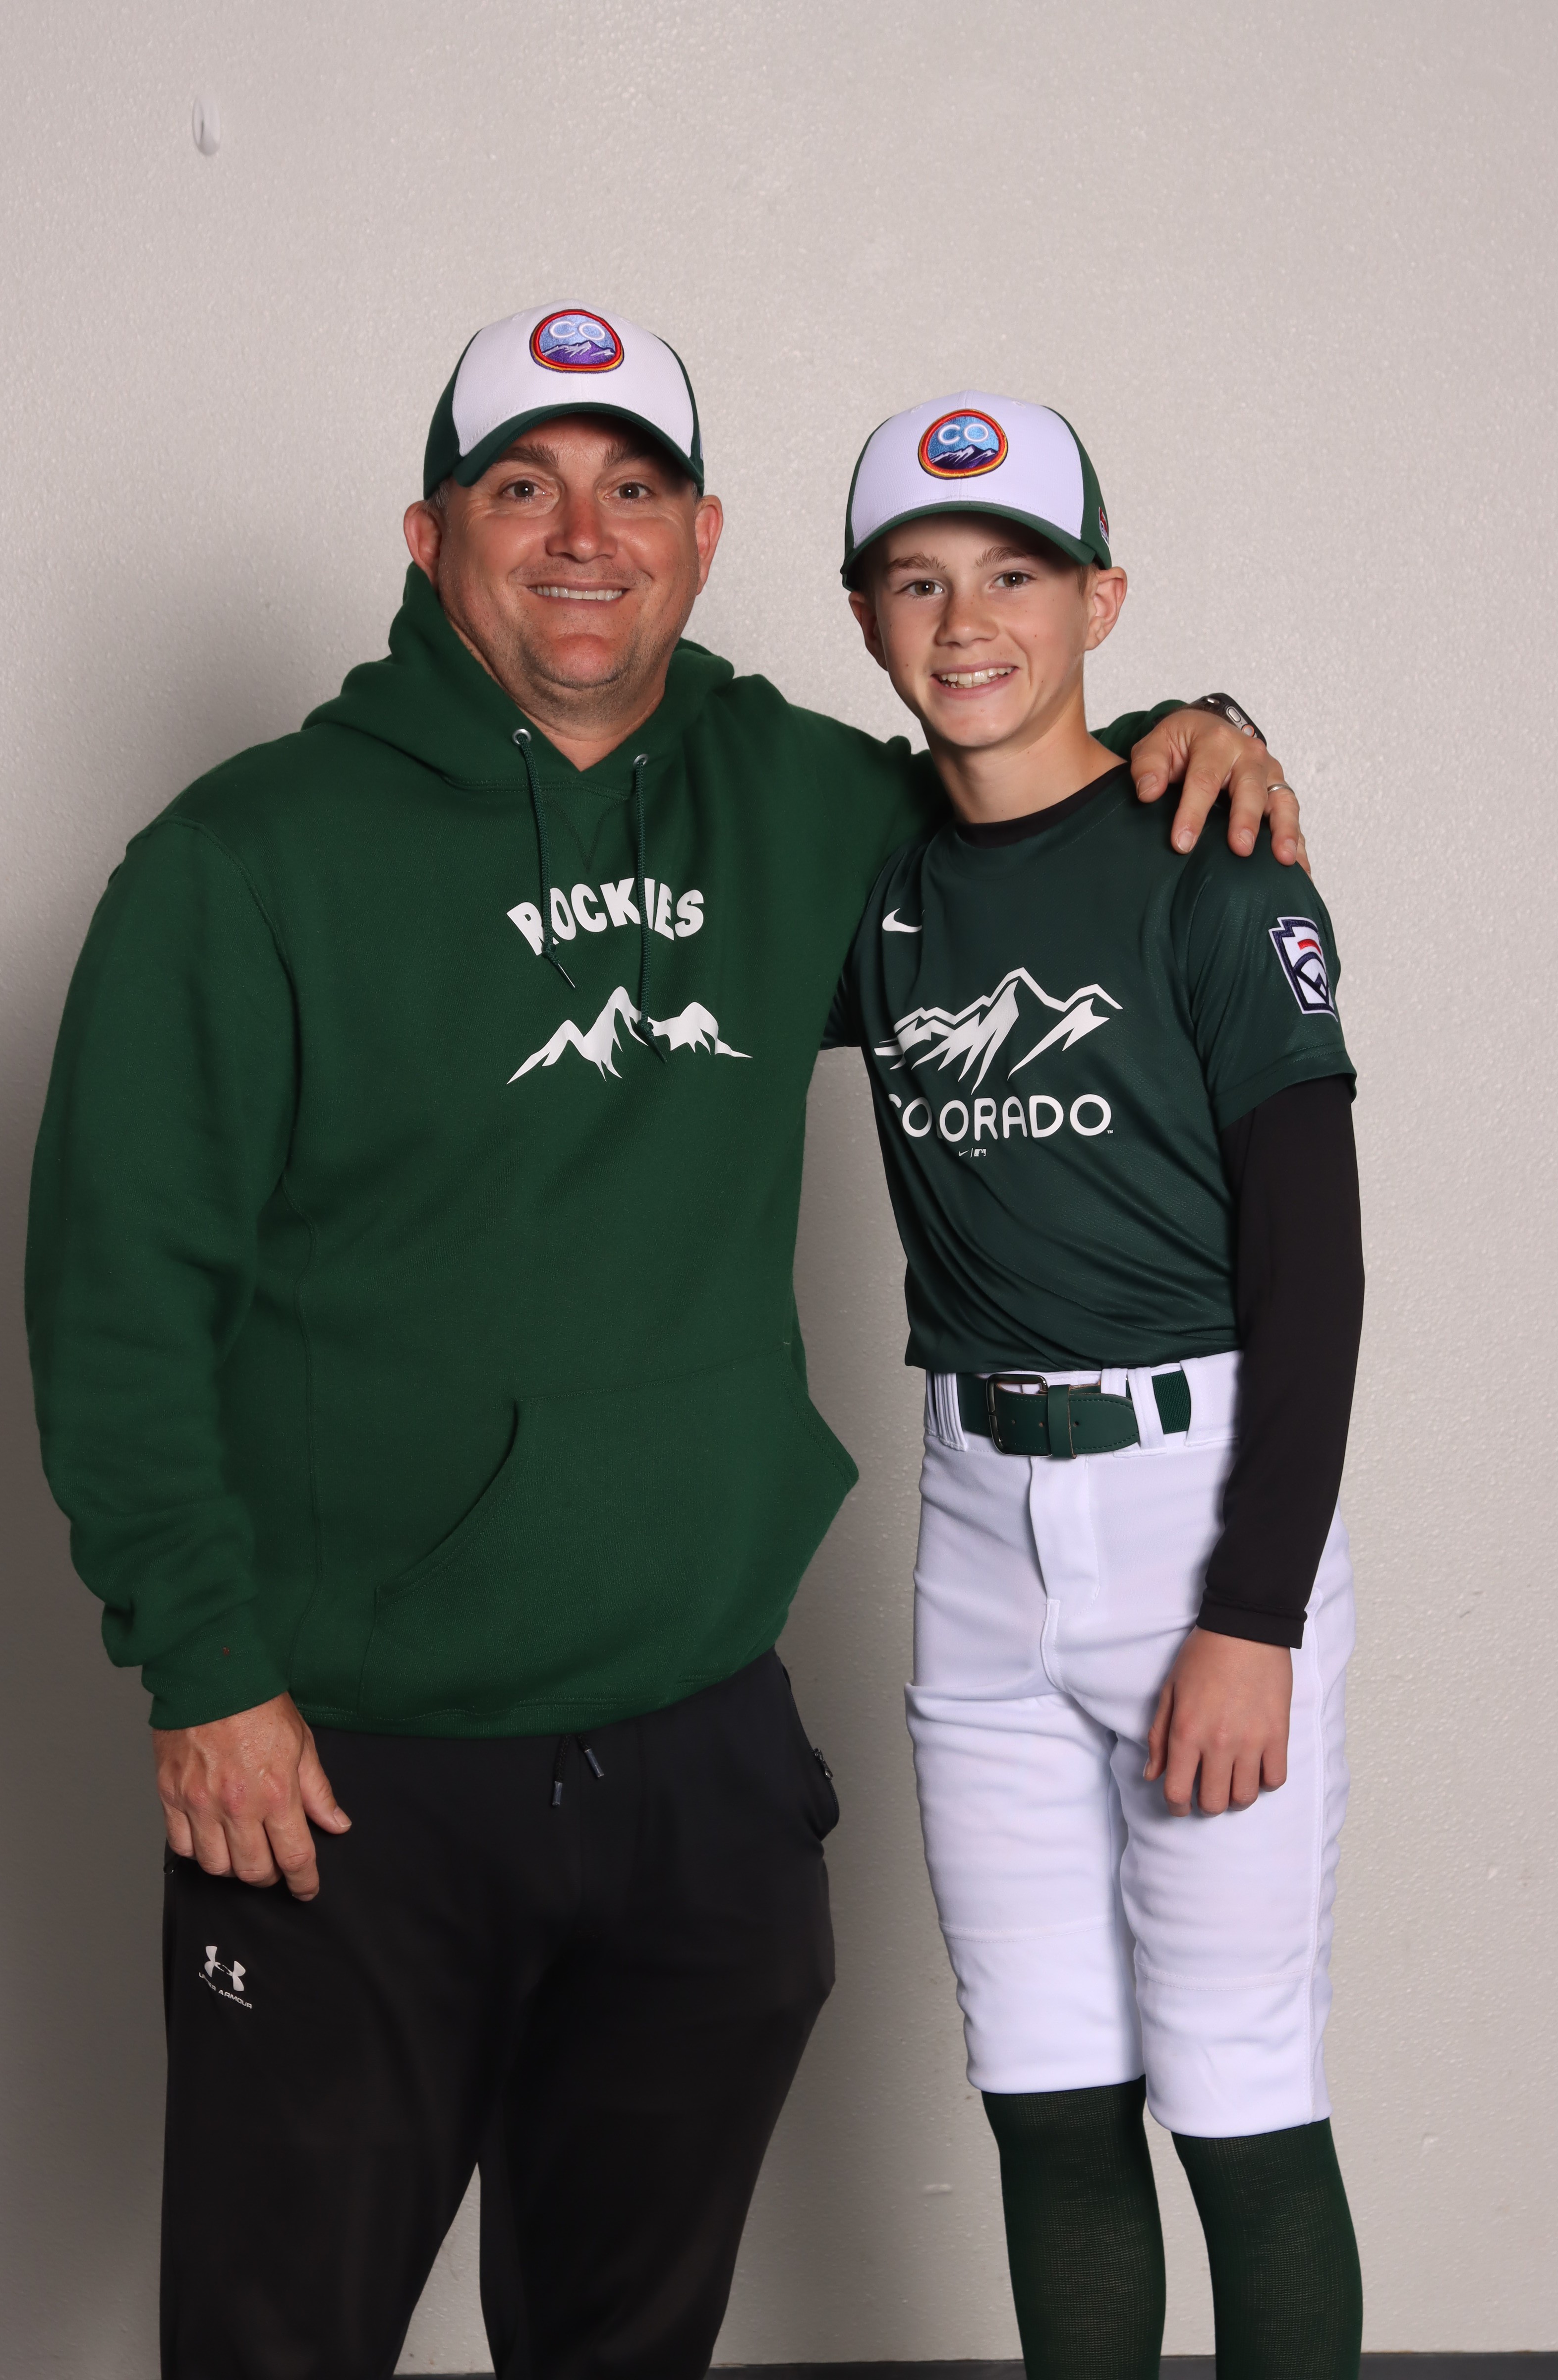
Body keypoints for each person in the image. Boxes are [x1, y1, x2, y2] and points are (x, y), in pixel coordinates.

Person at [25, 309, 1306, 2380]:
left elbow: (1026, 806)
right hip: (349, 1766)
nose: (581, 535)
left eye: (632, 487)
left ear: (704, 541)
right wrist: (207, 1673)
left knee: (628, 2344)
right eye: (521, 486)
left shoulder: (798, 801)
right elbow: (114, 1299)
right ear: (429, 537)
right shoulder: (239, 862)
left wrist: (1192, 729)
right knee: (279, 2342)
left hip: (700, 1759)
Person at [826, 391, 1365, 2380]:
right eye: (916, 583)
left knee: (1234, 2086)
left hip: (1194, 1502)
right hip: (976, 1522)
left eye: (1016, 576)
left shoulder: (1210, 862)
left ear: (1099, 600)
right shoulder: (868, 872)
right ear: (866, 620)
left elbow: (1316, 1273)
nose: (967, 623)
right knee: (1045, 2095)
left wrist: (1253, 1616)